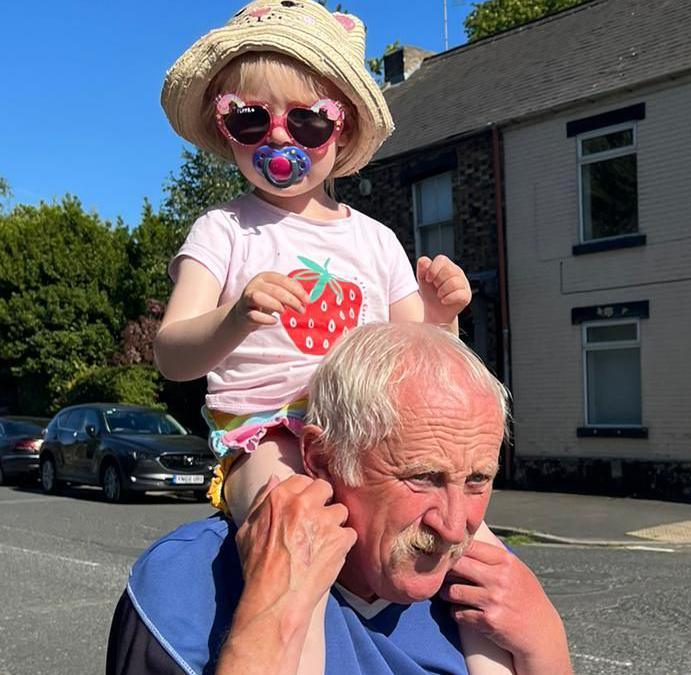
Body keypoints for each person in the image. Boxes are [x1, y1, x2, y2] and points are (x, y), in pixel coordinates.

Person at [152, 2, 508, 671]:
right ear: (224, 126)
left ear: (340, 131)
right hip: (269, 433)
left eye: (308, 121)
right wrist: (231, 321)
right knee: (300, 547)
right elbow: (172, 353)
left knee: (480, 548)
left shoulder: (373, 239)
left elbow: (424, 363)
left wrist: (441, 316)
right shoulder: (222, 231)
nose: (276, 140)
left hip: (372, 441)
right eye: (249, 119)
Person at [107, 324, 573, 674]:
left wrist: (546, 648)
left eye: (477, 480)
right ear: (321, 458)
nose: (454, 527)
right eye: (423, 478)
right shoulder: (182, 591)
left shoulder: (495, 594)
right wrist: (270, 618)